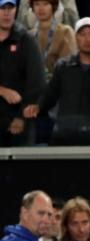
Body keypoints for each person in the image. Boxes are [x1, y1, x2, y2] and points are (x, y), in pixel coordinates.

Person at [39, 17, 90, 144]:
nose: (87, 39)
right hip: (65, 134)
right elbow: (49, 97)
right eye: (82, 34)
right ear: (76, 38)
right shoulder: (63, 66)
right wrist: (35, 107)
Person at [0, 0, 45, 147]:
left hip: (19, 123)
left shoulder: (26, 40)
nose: (7, 13)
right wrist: (2, 91)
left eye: (10, 8)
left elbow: (36, 83)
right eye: (2, 8)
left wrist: (21, 118)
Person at [28, 0, 77, 78]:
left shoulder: (65, 32)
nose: (41, 8)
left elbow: (69, 67)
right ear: (32, 7)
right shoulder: (28, 35)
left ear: (53, 6)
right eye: (37, 4)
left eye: (45, 4)